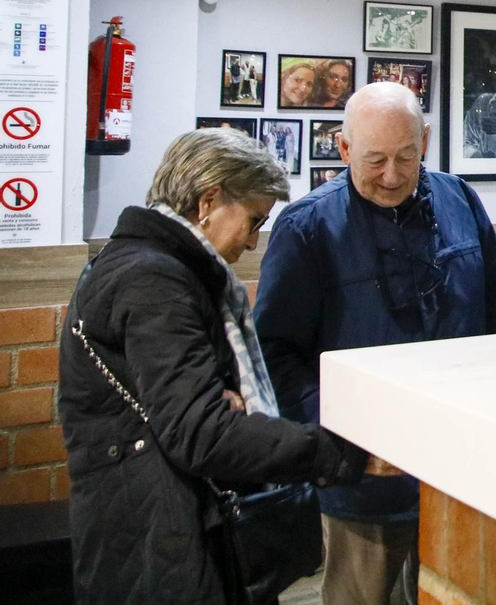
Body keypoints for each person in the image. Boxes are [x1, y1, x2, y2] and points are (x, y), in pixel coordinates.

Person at [58, 129, 382, 605]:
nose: (252, 242)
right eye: (253, 220)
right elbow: (202, 432)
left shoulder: (144, 262)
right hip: (160, 538)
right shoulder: (154, 279)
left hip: (154, 521)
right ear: (209, 199)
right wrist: (338, 453)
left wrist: (225, 401)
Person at [255, 83, 496, 605]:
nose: (392, 176)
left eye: (407, 157)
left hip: (460, 474)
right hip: (362, 483)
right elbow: (276, 357)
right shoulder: (307, 229)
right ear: (345, 149)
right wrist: (340, 443)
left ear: (424, 140)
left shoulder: (461, 200)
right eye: (374, 160)